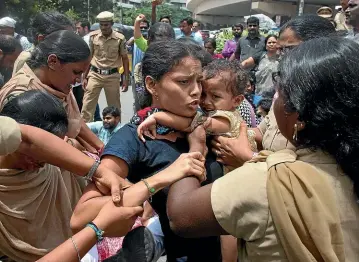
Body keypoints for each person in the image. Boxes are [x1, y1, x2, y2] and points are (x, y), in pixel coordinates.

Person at [166, 37, 359, 262]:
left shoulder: (267, 182)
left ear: (298, 115)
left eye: (279, 92)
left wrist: (195, 147)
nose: (273, 100)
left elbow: (181, 217)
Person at [81, 40, 224, 262]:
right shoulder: (136, 138)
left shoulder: (210, 122)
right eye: (183, 82)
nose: (196, 91)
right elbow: (82, 216)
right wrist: (158, 181)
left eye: (199, 81)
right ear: (152, 85)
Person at [0, 90, 128, 261]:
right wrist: (96, 228)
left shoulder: (68, 161)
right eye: (37, 153)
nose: (42, 163)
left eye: (50, 155)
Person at [211, 15, 337, 168]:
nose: (282, 56)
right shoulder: (284, 91)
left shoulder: (329, 101)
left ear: (320, 49)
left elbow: (307, 170)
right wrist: (232, 135)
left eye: (289, 49)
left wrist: (248, 157)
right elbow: (262, 131)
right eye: (280, 50)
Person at [0, 30, 104, 154]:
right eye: (76, 72)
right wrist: (76, 147)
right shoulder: (20, 95)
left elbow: (76, 123)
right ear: (53, 62)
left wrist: (101, 149)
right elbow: (32, 150)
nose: (78, 80)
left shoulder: (58, 84)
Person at [137, 59, 258, 161]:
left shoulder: (226, 118)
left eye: (215, 97)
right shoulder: (215, 112)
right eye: (204, 94)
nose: (206, 101)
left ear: (236, 101)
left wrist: (158, 117)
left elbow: (190, 124)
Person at [81, 11, 130, 122]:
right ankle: (83, 134)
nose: (104, 27)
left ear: (111, 24)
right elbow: (90, 57)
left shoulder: (119, 39)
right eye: (101, 25)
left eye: (106, 24)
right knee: (87, 107)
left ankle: (116, 132)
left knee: (114, 108)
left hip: (112, 76)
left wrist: (126, 79)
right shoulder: (93, 37)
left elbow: (125, 59)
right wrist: (84, 77)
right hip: (95, 74)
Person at [12, 11, 74, 76]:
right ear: (42, 40)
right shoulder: (27, 59)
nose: (71, 44)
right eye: (65, 39)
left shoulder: (58, 58)